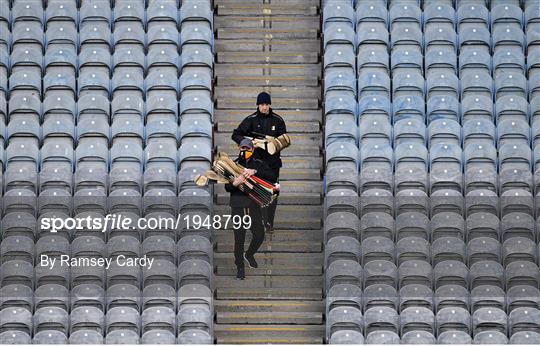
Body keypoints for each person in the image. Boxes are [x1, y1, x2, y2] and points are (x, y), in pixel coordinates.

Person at [231, 92, 287, 233]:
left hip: (273, 164)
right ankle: (257, 222)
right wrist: (249, 143)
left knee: (273, 192)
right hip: (256, 163)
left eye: (266, 104)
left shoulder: (278, 120)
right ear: (258, 105)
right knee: (256, 192)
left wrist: (272, 144)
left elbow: (284, 140)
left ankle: (269, 222)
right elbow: (235, 134)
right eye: (261, 104)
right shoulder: (251, 119)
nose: (264, 107)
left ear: (269, 105)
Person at [224, 138, 278, 280]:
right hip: (238, 206)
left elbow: (272, 176)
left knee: (259, 234)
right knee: (239, 238)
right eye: (242, 148)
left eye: (247, 149)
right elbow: (227, 187)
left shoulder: (258, 164)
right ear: (239, 148)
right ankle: (240, 267)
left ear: (252, 150)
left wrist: (255, 172)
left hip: (253, 205)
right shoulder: (232, 165)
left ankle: (249, 254)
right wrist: (236, 181)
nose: (245, 151)